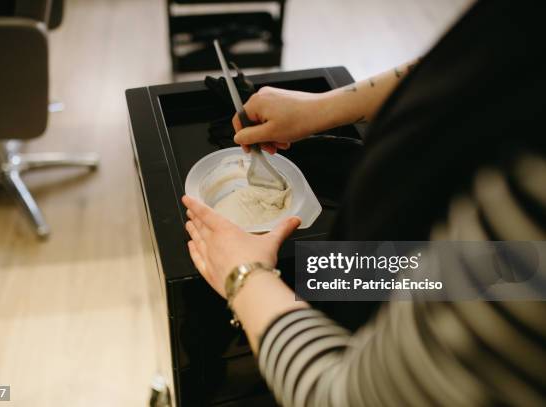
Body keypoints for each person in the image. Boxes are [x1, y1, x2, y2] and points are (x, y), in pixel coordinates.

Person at [182, 0, 546, 405]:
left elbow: (349, 396)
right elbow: (485, 61)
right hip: (396, 260)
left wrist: (245, 277)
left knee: (318, 277)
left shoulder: (531, 202)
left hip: (412, 273)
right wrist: (324, 108)